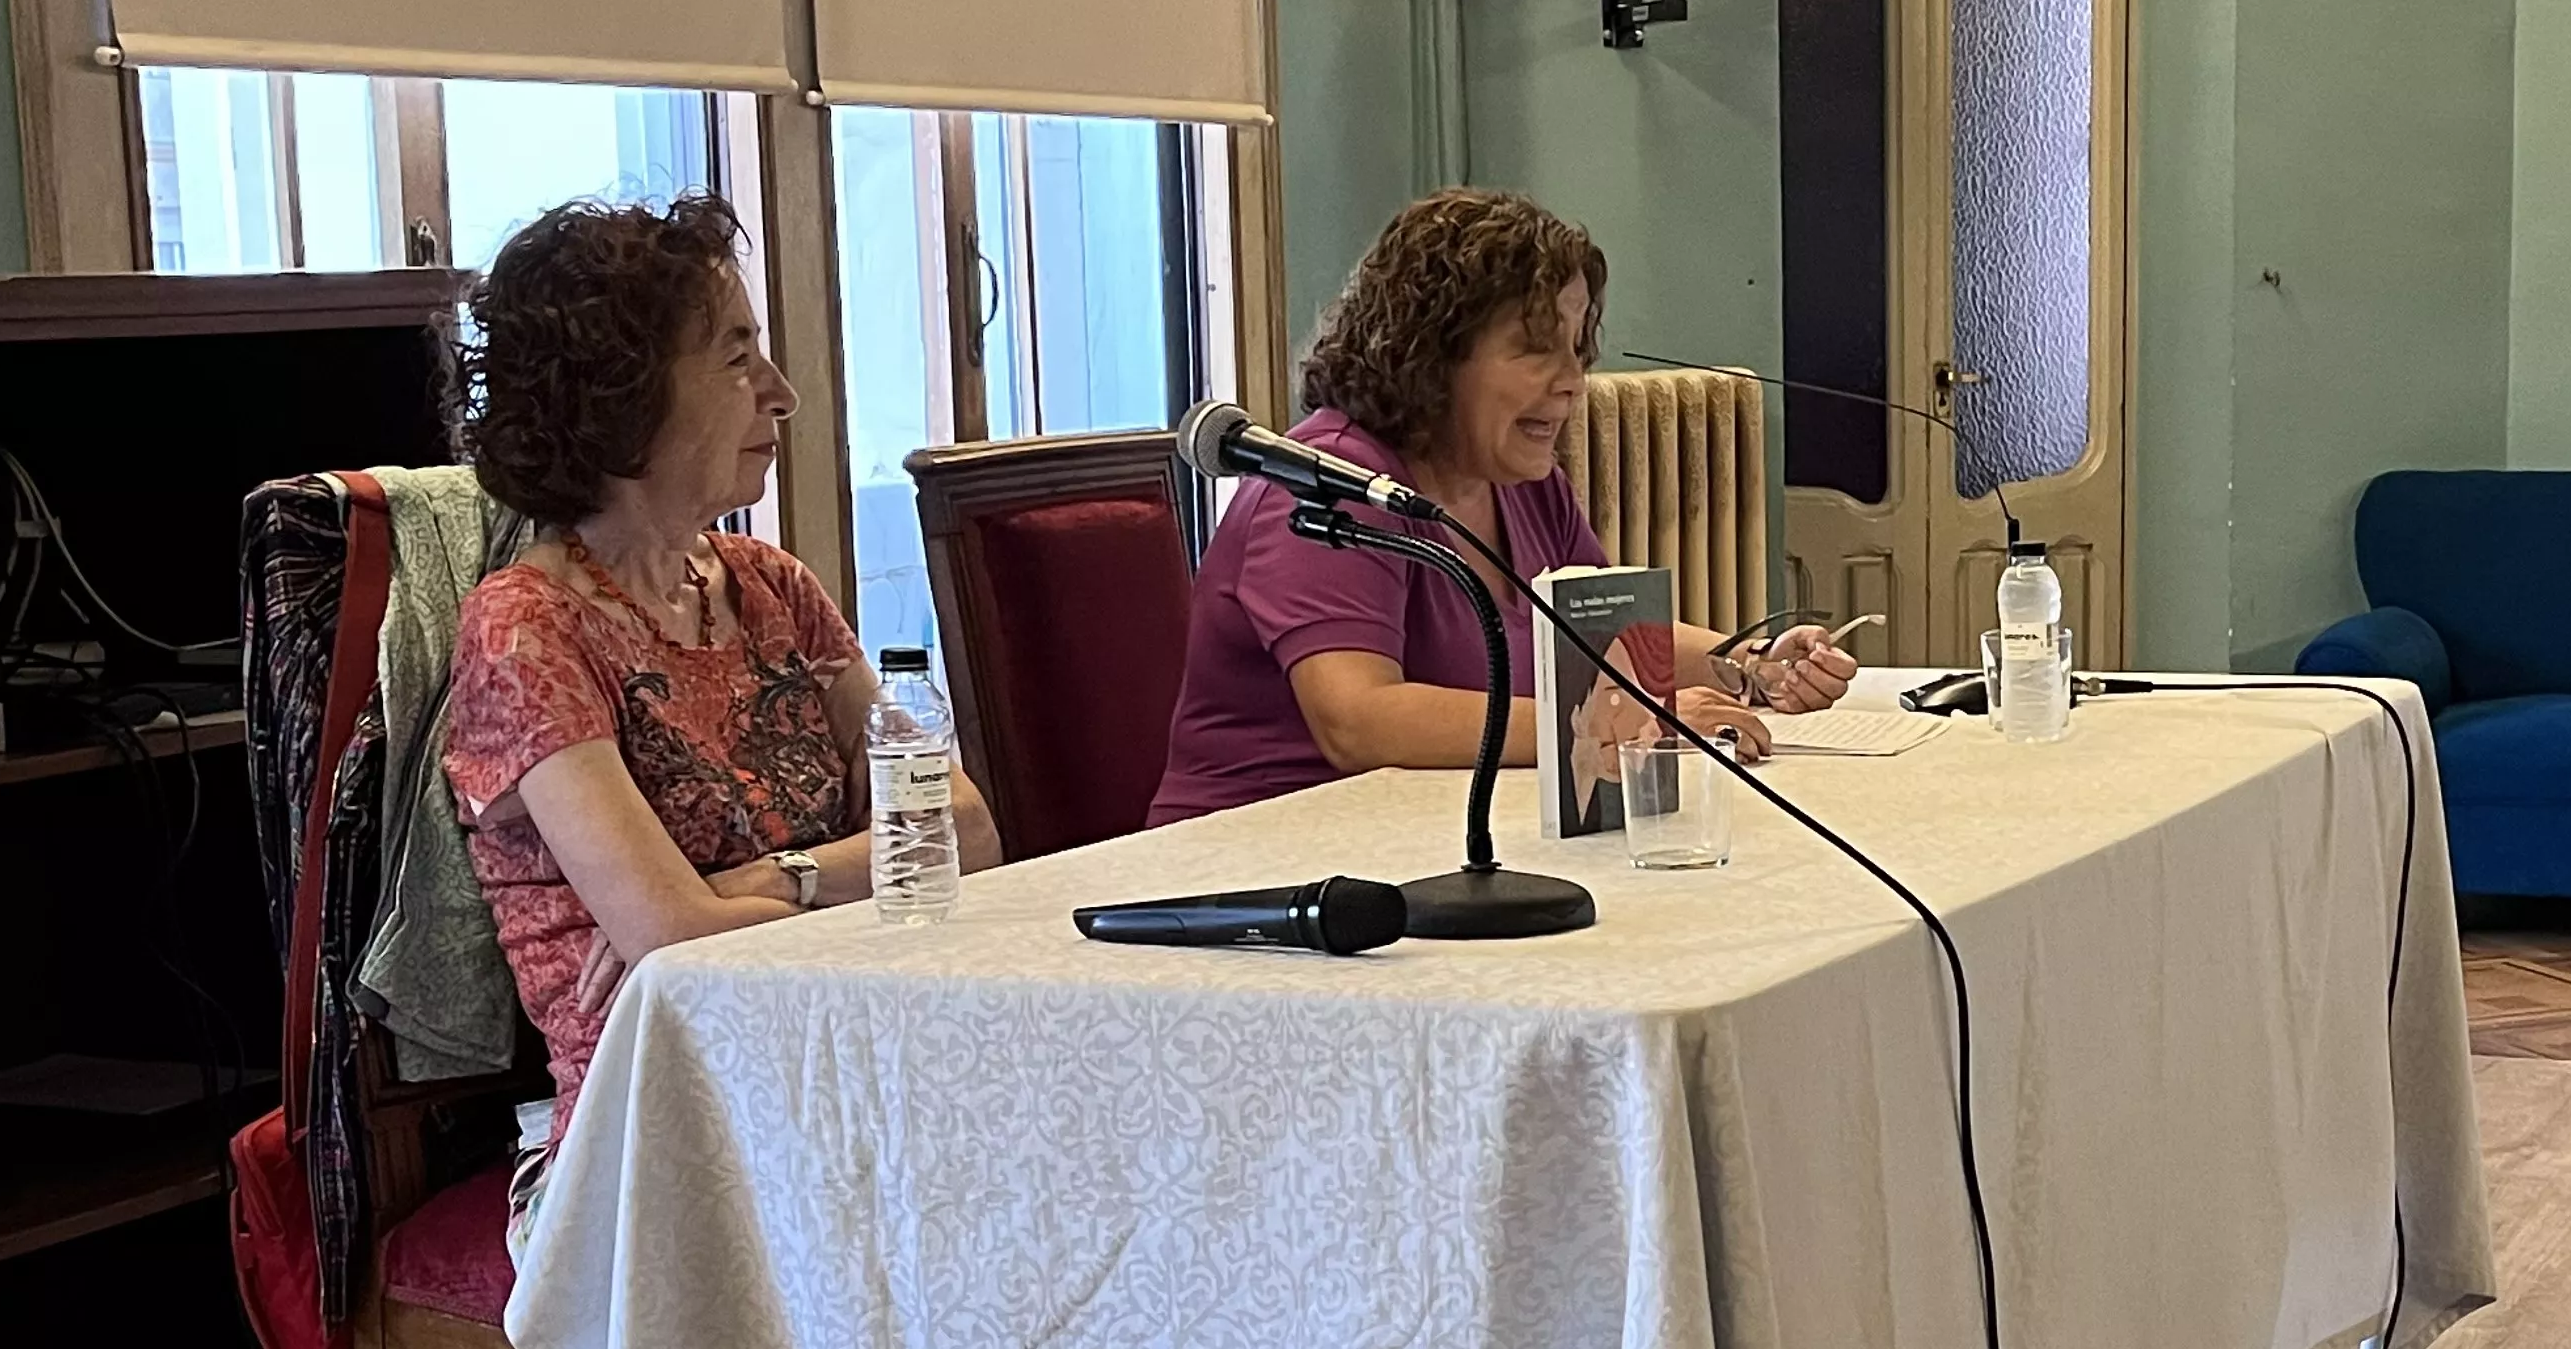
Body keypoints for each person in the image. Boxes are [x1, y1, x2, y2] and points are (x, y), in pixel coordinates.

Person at [439, 195, 1002, 1255]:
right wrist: (815, 883)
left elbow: (962, 830)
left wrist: (765, 881)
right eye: (738, 357)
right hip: (660, 1138)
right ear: (623, 394)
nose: (779, 393)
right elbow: (675, 945)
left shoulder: (769, 584)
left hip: (842, 1078)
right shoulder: (526, 628)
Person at [1151, 187, 1858, 827]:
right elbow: (1360, 721)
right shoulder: (1325, 487)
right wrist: (1631, 722)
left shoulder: (1522, 480)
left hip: (1427, 839)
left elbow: (1608, 636)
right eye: (1535, 349)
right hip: (1267, 865)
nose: (1573, 382)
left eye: (1578, 349)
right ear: (1428, 352)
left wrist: (1750, 663)